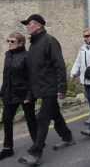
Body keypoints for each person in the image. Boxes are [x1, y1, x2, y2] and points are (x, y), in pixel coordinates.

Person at [18, 14, 74, 165]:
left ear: (38, 25)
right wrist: (30, 92)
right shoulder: (34, 44)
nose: (27, 27)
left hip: (50, 87)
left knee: (43, 118)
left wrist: (62, 87)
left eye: (29, 24)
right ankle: (67, 137)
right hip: (40, 88)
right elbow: (33, 71)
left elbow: (59, 65)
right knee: (55, 114)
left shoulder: (50, 41)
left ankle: (36, 153)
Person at [0, 33, 37, 160]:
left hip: (24, 93)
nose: (9, 43)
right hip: (10, 93)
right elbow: (6, 75)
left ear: (21, 43)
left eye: (12, 41)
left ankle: (37, 144)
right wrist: (3, 91)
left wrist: (29, 95)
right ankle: (7, 148)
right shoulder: (8, 55)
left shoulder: (27, 56)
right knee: (7, 119)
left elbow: (32, 78)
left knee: (30, 119)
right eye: (8, 41)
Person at [70, 28, 90, 125]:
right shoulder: (83, 48)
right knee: (89, 98)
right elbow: (78, 61)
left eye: (87, 36)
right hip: (85, 79)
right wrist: (73, 72)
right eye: (84, 36)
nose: (85, 38)